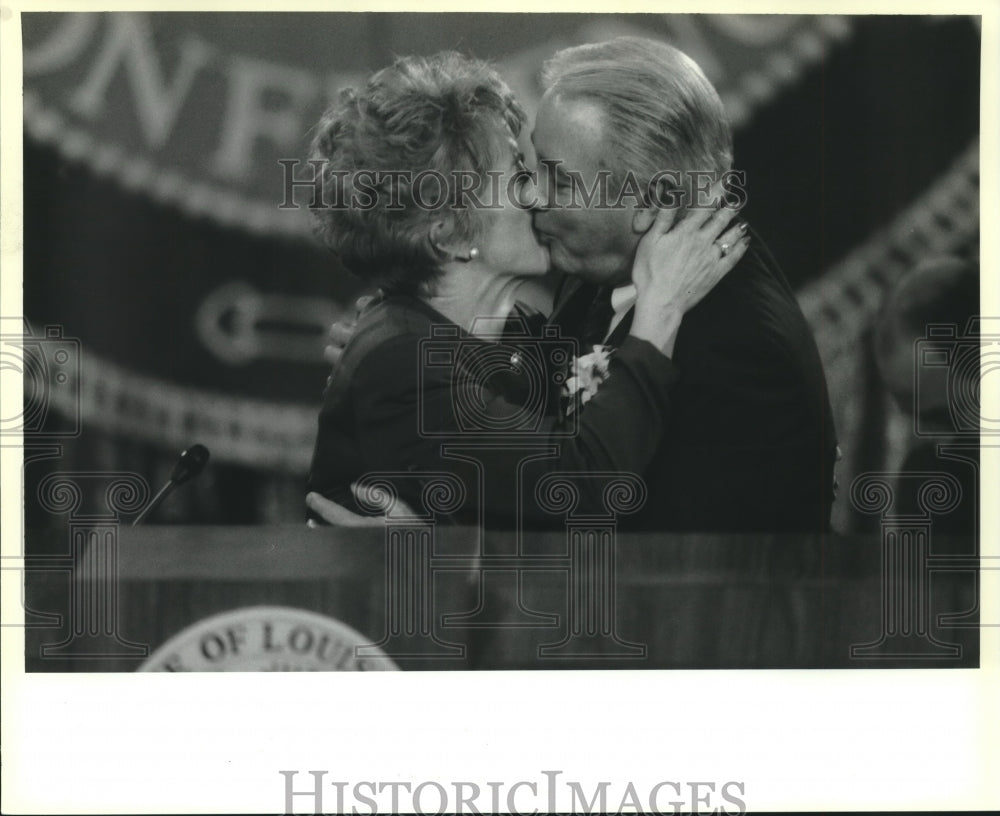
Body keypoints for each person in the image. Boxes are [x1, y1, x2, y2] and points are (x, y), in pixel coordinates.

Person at [313, 38, 838, 532]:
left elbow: (664, 573)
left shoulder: (739, 347)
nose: (536, 196)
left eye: (554, 177)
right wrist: (388, 369)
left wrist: (444, 549)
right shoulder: (589, 280)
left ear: (653, 201)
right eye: (524, 169)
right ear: (447, 235)